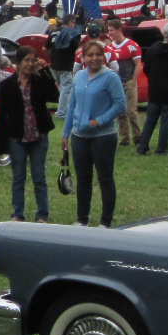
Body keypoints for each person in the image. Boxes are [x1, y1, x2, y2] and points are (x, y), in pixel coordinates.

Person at [60, 39, 126, 226]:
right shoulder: (79, 76)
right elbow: (72, 105)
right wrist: (66, 133)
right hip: (80, 136)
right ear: (83, 58)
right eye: (90, 55)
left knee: (105, 178)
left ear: (104, 57)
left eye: (98, 54)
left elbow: (120, 105)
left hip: (103, 136)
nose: (94, 58)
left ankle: (105, 221)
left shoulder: (111, 77)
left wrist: (100, 121)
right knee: (83, 179)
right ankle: (82, 219)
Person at [0, 46, 57, 221]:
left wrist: (45, 70)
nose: (30, 64)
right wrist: (2, 144)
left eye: (33, 60)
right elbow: (2, 115)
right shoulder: (6, 85)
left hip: (38, 135)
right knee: (18, 177)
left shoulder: (38, 81)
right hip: (17, 136)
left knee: (39, 177)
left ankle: (42, 213)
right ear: (18, 63)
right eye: (26, 61)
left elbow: (54, 95)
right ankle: (18, 213)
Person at [137, 22, 168, 155]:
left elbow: (147, 69)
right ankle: (162, 148)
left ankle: (142, 146)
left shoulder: (153, 50)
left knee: (150, 120)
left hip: (154, 90)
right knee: (166, 121)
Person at [102, 16, 141, 146]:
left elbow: (138, 64)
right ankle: (124, 138)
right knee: (121, 112)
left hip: (128, 80)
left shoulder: (132, 46)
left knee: (131, 111)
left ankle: (137, 136)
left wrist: (133, 80)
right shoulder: (110, 47)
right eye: (109, 30)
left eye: (112, 30)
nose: (110, 33)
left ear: (119, 30)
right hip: (116, 82)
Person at [47, 13, 82, 117]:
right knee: (67, 88)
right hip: (66, 64)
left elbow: (45, 48)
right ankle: (61, 112)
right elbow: (78, 49)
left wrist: (52, 58)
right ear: (70, 21)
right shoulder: (73, 33)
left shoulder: (53, 32)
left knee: (62, 88)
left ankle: (64, 109)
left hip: (54, 64)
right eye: (73, 22)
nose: (74, 25)